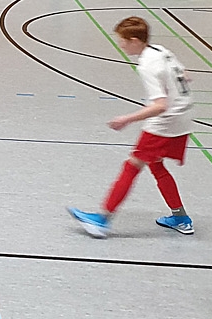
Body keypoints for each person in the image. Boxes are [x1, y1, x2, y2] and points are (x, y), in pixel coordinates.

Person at [69, 16, 195, 238]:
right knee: (155, 164)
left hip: (165, 122)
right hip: (184, 116)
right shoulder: (162, 51)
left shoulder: (147, 65)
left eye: (123, 41)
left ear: (135, 40)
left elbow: (160, 106)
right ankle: (180, 218)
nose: (121, 45)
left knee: (133, 164)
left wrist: (127, 119)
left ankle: (102, 219)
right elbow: (186, 76)